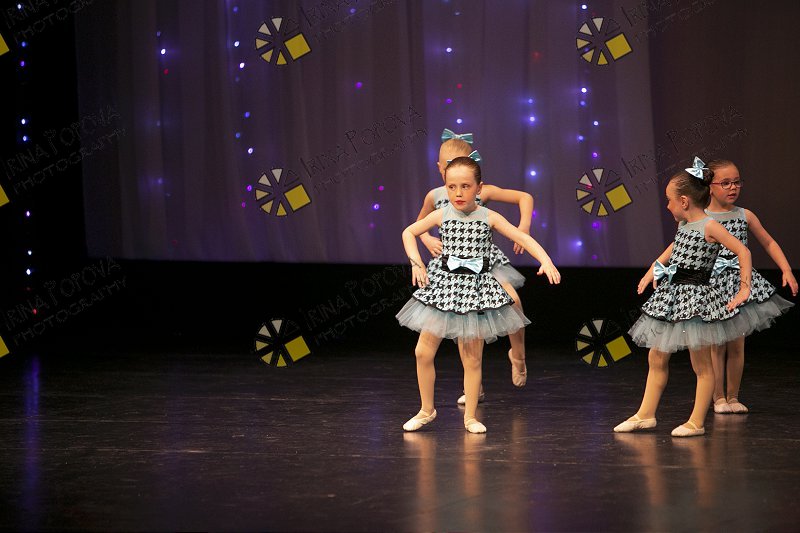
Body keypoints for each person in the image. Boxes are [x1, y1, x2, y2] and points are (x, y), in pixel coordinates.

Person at [397, 156, 560, 433]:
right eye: (452, 187)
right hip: (444, 287)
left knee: (472, 358)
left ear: (479, 188)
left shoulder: (488, 216)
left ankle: (471, 417)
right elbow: (409, 232)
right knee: (422, 352)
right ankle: (426, 410)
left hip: (474, 290)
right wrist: (416, 263)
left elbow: (521, 238)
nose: (458, 193)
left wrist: (545, 260)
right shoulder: (441, 214)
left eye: (465, 186)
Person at [616, 158, 752, 437]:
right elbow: (673, 249)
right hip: (672, 296)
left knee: (701, 364)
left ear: (684, 201)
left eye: (669, 200)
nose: (667, 206)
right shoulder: (683, 226)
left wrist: (744, 287)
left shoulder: (710, 226)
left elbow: (743, 251)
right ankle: (645, 414)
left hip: (696, 299)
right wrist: (651, 271)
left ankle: (696, 422)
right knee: (656, 356)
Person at [417, 129, 534, 405]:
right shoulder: (435, 196)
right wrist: (427, 238)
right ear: (440, 167)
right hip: (454, 266)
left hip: (485, 262)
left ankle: (518, 355)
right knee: (465, 324)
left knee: (513, 301)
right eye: (447, 166)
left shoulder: (483, 191)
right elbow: (418, 225)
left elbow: (524, 197)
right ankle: (474, 387)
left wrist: (524, 226)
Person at [704, 159, 796, 414]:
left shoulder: (745, 215)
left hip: (740, 282)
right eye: (725, 183)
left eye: (736, 182)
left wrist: (786, 269)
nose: (733, 187)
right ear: (709, 186)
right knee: (716, 344)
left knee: (737, 343)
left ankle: (733, 397)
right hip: (712, 286)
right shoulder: (702, 218)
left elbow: (768, 242)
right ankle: (718, 398)